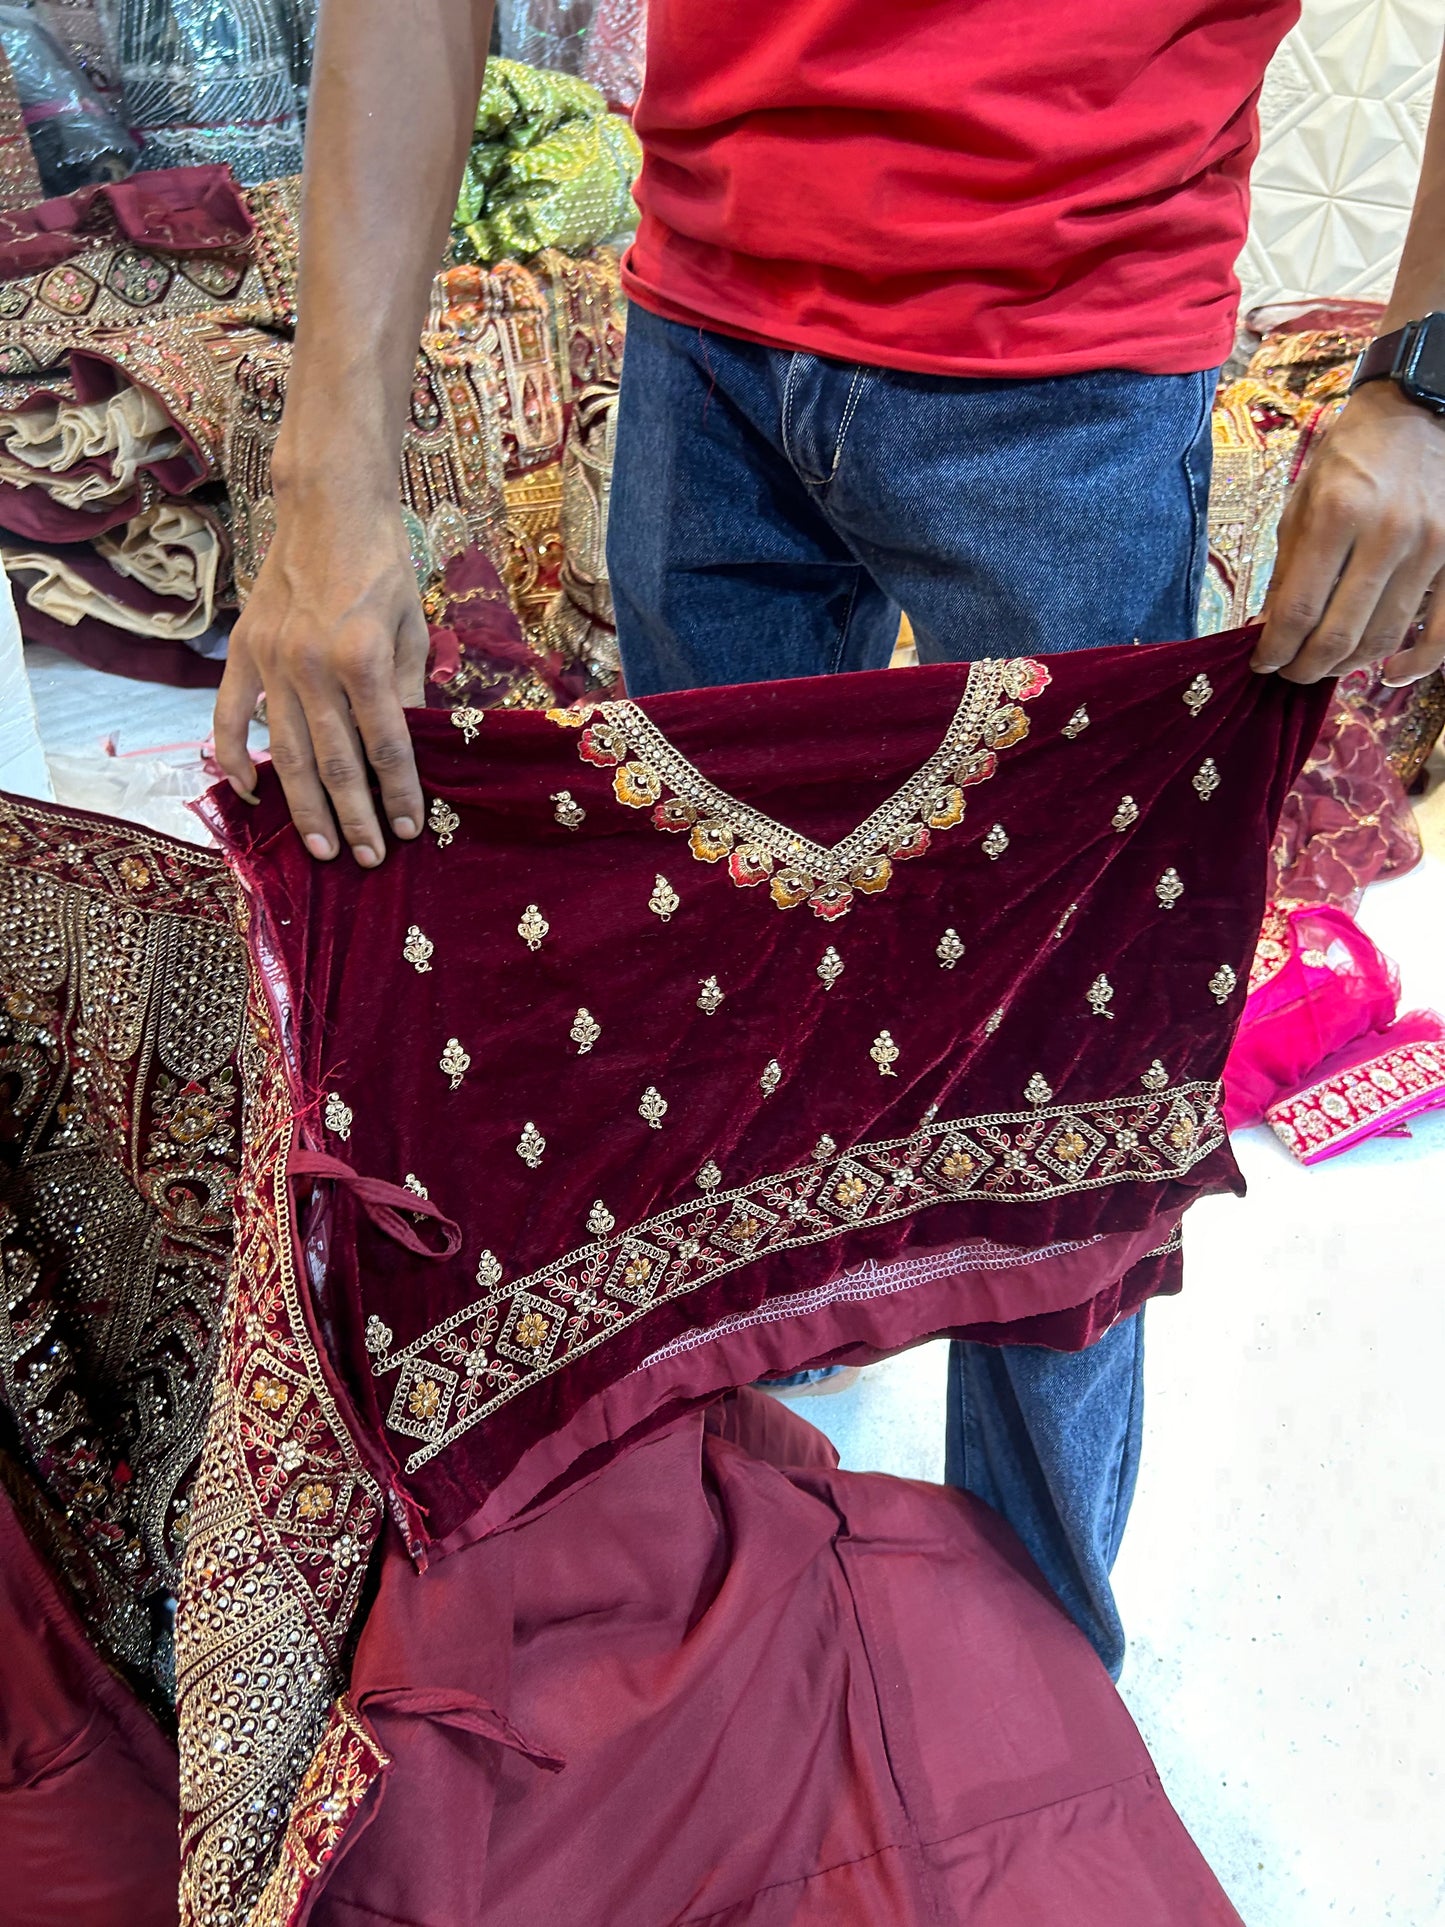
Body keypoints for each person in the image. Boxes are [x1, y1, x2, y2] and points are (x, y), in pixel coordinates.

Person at [214, 0, 1445, 1675]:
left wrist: (1428, 376)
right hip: (699, 329)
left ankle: (1029, 1715)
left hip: (1070, 367)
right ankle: (723, 1570)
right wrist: (326, 481)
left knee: (1058, 1088)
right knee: (703, 1005)